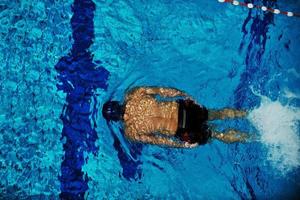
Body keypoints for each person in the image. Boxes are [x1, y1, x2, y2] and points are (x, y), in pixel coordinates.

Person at [102, 87, 248, 148]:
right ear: (117, 103)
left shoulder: (130, 132)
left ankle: (252, 137)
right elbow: (162, 91)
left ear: (115, 120)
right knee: (215, 114)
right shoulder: (134, 94)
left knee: (216, 134)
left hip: (183, 130)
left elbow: (158, 140)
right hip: (185, 110)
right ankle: (248, 114)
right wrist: (184, 94)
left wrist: (181, 145)